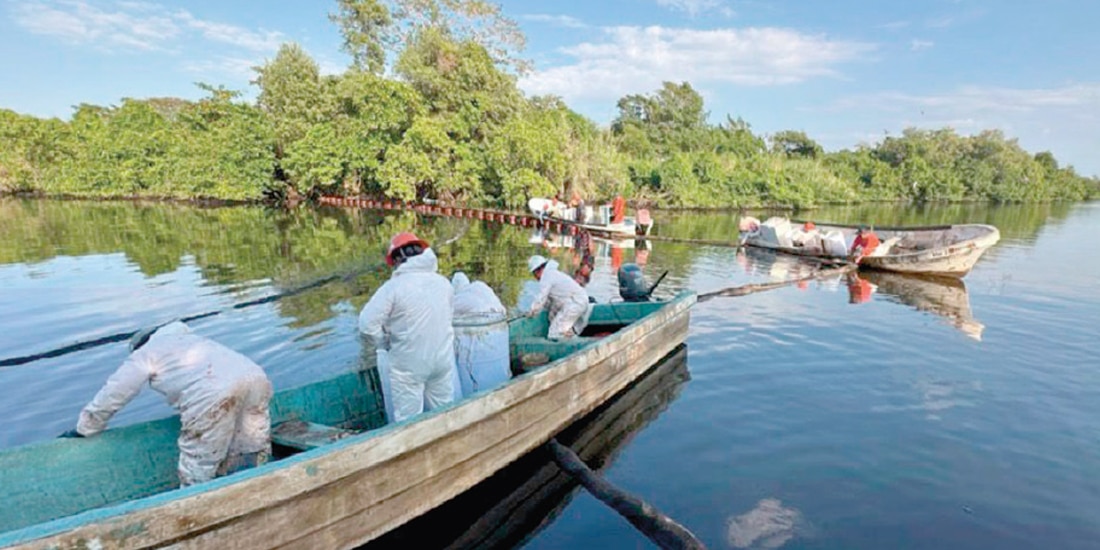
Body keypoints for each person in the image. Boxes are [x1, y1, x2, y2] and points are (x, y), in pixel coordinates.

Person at [60, 321, 273, 487]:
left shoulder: (145, 354)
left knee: (199, 462)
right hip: (255, 377)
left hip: (210, 394)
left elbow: (115, 393)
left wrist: (86, 427)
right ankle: (260, 483)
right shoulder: (190, 340)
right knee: (252, 443)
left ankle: (194, 507)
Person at [359, 232, 457, 423]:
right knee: (444, 410)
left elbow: (366, 324)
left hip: (409, 367)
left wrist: (383, 342)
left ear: (398, 259)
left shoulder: (393, 287)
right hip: (442, 361)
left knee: (408, 420)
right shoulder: (443, 283)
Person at [450, 272, 511, 396]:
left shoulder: (460, 298)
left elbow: (447, 314)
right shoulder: (480, 286)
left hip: (480, 330)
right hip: (500, 323)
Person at [527, 255, 592, 340]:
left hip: (575, 303)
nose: (535, 278)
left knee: (554, 332)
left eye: (534, 274)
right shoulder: (553, 274)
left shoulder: (546, 277)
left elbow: (541, 298)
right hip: (579, 301)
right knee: (562, 330)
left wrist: (532, 312)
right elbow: (549, 301)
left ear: (537, 271)